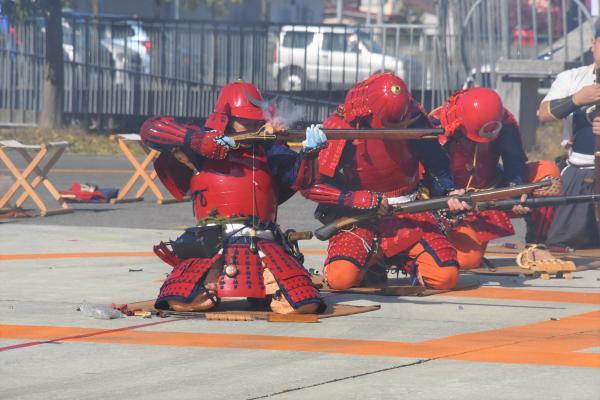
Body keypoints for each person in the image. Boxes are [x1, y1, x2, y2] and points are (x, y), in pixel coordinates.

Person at [140, 80, 326, 314]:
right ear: (226, 116)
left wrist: (309, 154)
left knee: (299, 304)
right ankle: (211, 282)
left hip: (264, 242)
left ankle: (269, 286)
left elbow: (300, 180)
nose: (250, 124)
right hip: (212, 243)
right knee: (183, 301)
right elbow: (149, 129)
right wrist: (196, 140)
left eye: (253, 119)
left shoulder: (269, 148)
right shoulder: (202, 145)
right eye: (243, 120)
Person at [302, 73, 467, 291]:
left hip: (408, 210)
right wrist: (352, 198)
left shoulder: (416, 119)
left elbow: (438, 166)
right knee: (340, 279)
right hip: (359, 216)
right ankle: (370, 262)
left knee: (445, 277)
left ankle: (400, 259)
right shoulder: (343, 124)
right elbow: (310, 185)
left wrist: (448, 193)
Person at [431, 87, 561, 269]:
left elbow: (515, 161)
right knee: (467, 261)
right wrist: (446, 195)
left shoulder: (504, 120)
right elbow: (428, 174)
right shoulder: (437, 125)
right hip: (449, 203)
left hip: (491, 192)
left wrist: (516, 188)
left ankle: (536, 245)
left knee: (548, 173)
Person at [538, 26, 600, 248]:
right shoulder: (572, 78)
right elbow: (543, 113)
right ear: (593, 44)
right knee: (562, 243)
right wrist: (576, 99)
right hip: (579, 171)